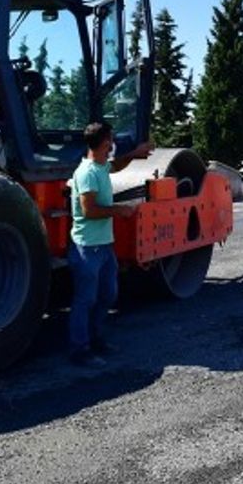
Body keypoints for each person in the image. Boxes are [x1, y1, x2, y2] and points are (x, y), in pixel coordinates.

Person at [67, 122, 152, 366]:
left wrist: (134, 155)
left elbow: (115, 165)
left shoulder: (101, 166)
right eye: (111, 140)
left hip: (104, 246)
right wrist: (120, 210)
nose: (113, 144)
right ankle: (79, 350)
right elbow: (89, 210)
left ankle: (96, 339)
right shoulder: (87, 173)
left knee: (107, 294)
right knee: (86, 299)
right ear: (105, 142)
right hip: (87, 249)